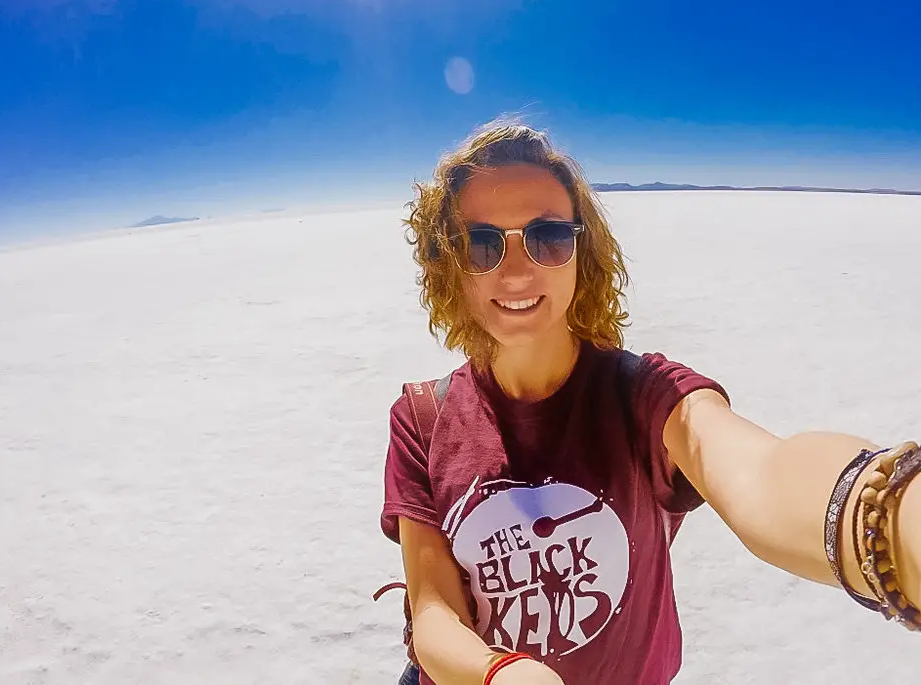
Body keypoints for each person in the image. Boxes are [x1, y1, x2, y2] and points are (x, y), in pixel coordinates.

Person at [378, 120, 920, 685]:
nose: (516, 270)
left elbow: (760, 474)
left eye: (549, 237)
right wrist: (501, 675)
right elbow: (432, 609)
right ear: (449, 266)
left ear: (582, 254)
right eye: (482, 243)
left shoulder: (644, 398)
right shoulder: (424, 418)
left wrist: (887, 516)